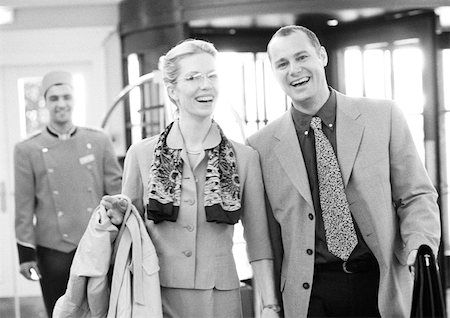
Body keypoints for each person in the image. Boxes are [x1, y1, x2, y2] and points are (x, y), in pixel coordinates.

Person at [246, 25, 441, 317]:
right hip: (310, 295)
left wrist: (419, 244)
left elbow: (416, 195)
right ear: (273, 71)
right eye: (282, 64)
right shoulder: (260, 146)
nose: (294, 70)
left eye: (302, 57)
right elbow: (267, 238)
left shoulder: (383, 116)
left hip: (380, 284)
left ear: (322, 55)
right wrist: (270, 304)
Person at [102, 39, 280, 318]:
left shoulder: (244, 157)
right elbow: (130, 236)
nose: (205, 85)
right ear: (172, 90)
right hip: (155, 295)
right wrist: (115, 218)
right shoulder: (141, 154)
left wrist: (269, 305)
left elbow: (258, 241)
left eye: (211, 76)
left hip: (220, 298)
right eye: (193, 77)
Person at [14, 70, 123, 317]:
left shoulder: (98, 140)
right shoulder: (26, 149)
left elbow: (116, 192)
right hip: (52, 249)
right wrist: (25, 255)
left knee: (100, 311)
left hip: (96, 241)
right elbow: (23, 206)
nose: (61, 104)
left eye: (66, 97)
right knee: (59, 311)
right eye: (54, 98)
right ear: (45, 102)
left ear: (74, 100)